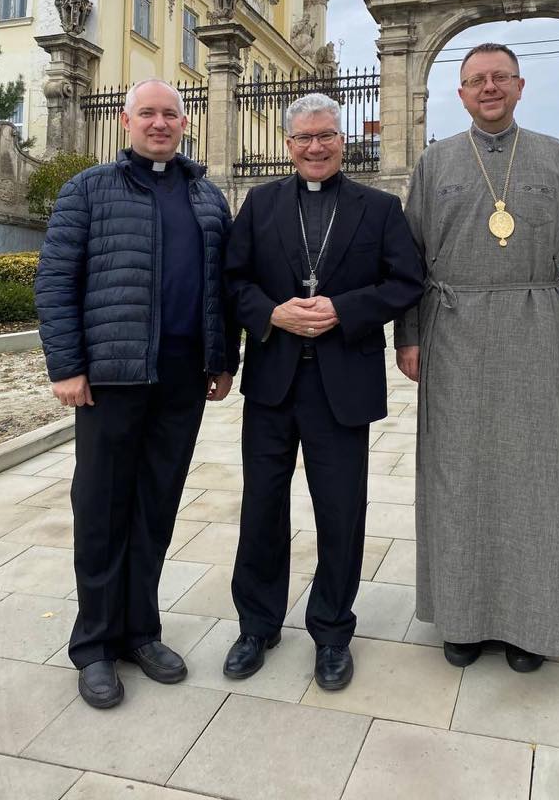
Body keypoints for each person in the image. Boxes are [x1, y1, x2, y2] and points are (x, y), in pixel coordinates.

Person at [395, 43, 559, 673]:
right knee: (456, 475)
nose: (488, 88)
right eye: (474, 81)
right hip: (452, 334)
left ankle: (531, 622)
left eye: (499, 78)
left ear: (520, 87)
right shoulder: (436, 163)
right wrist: (407, 335)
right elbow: (408, 260)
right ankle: (462, 618)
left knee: (536, 479)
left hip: (536, 330)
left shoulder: (555, 158)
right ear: (459, 94)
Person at [35, 78, 238, 709]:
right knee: (101, 511)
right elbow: (55, 281)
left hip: (179, 380)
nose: (159, 123)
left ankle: (141, 631)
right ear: (126, 122)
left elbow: (222, 290)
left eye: (169, 114)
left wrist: (222, 359)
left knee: (155, 509)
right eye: (147, 113)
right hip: (110, 380)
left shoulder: (207, 198)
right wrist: (66, 367)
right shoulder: (89, 190)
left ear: (185, 123)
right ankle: (95, 644)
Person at [222, 93, 424, 691]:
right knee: (261, 506)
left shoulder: (380, 209)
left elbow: (407, 281)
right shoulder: (259, 205)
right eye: (304, 138)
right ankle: (257, 624)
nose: (316, 146)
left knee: (341, 513)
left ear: (343, 140)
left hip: (342, 384)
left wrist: (344, 308)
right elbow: (231, 281)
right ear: (287, 145)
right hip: (273, 383)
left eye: (326, 135)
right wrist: (272, 314)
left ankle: (332, 630)